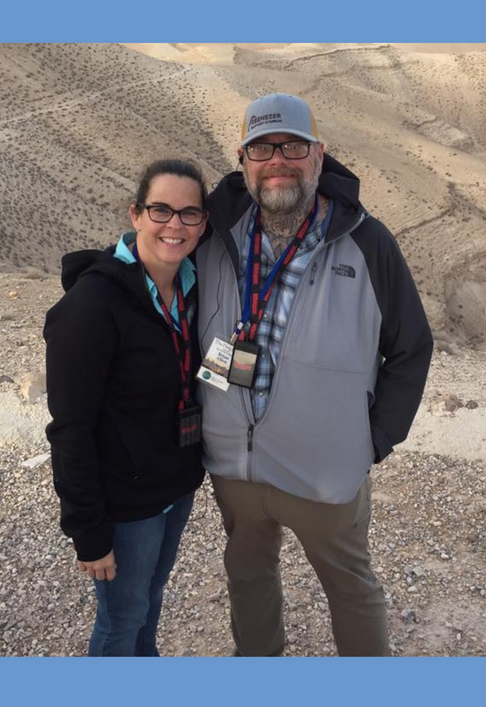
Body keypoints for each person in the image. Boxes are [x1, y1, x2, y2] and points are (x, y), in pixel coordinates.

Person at [196, 93, 433, 656]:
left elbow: (412, 348)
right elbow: (156, 260)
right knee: (247, 576)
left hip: (326, 474)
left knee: (351, 590)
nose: (277, 160)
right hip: (234, 467)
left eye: (293, 146)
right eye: (262, 148)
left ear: (319, 156)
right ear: (242, 160)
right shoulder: (214, 233)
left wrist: (372, 440)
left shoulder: (367, 242)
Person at [44, 159, 207, 656]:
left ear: (203, 224)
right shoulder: (91, 306)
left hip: (175, 488)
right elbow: (70, 430)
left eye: (190, 213)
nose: (175, 224)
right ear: (135, 214)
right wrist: (89, 533)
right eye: (161, 210)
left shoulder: (193, 287)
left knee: (150, 601)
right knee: (121, 620)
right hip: (125, 503)